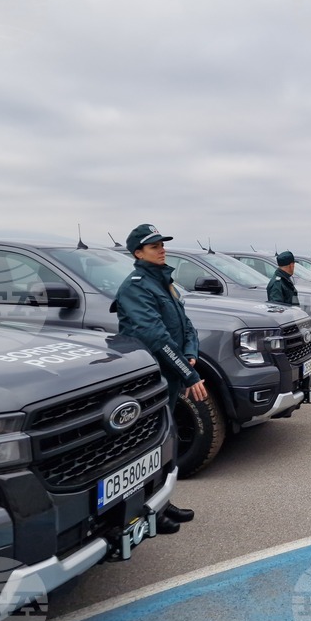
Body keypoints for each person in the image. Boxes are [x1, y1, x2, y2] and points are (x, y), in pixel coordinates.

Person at [116, 223, 208, 534]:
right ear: (138, 253)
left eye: (162, 244)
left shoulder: (164, 281)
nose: (162, 250)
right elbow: (155, 337)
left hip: (170, 375)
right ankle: (145, 513)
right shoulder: (136, 287)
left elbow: (186, 325)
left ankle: (162, 503)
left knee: (165, 441)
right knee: (146, 446)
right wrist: (189, 373)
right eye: (154, 246)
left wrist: (190, 352)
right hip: (151, 379)